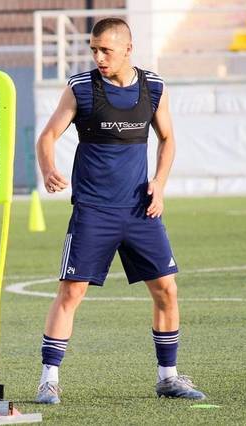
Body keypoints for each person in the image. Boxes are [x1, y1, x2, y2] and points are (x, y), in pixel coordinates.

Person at [34, 18, 206, 404]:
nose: (98, 57)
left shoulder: (154, 87)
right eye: (93, 49)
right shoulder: (81, 88)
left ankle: (168, 377)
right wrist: (48, 170)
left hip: (140, 210)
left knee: (166, 290)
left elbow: (168, 138)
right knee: (71, 292)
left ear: (128, 49)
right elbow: (47, 135)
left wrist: (159, 183)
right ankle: (48, 380)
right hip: (94, 211)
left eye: (105, 50)